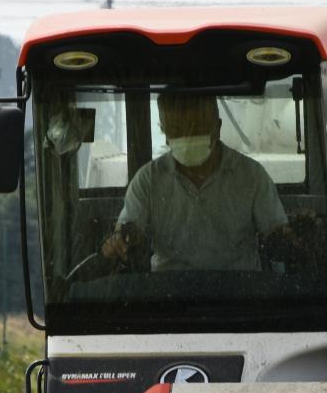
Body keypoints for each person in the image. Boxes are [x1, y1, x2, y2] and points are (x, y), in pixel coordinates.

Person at [101, 91, 288, 271]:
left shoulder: (251, 176)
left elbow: (276, 238)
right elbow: (128, 230)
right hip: (167, 294)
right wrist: (121, 239)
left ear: (218, 128)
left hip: (239, 293)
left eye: (197, 130)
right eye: (178, 131)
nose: (188, 138)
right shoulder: (148, 179)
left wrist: (292, 239)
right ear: (165, 135)